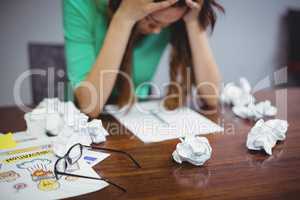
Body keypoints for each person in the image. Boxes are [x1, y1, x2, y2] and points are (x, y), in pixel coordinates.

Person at [64, 0, 224, 118]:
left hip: (136, 113)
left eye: (166, 25)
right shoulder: (80, 4)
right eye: (152, 21)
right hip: (84, 121)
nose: (157, 32)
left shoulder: (173, 14)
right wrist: (124, 17)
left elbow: (212, 96)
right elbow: (90, 106)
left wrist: (193, 21)